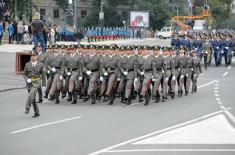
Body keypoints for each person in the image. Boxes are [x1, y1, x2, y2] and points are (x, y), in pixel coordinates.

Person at [23, 51, 45, 118]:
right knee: (33, 99)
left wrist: (44, 84)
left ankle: (27, 108)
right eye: (32, 56)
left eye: (34, 56)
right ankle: (37, 112)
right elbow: (24, 74)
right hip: (29, 83)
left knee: (31, 95)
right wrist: (27, 79)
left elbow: (43, 74)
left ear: (37, 56)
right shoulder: (27, 64)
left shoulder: (40, 64)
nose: (33, 57)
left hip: (36, 82)